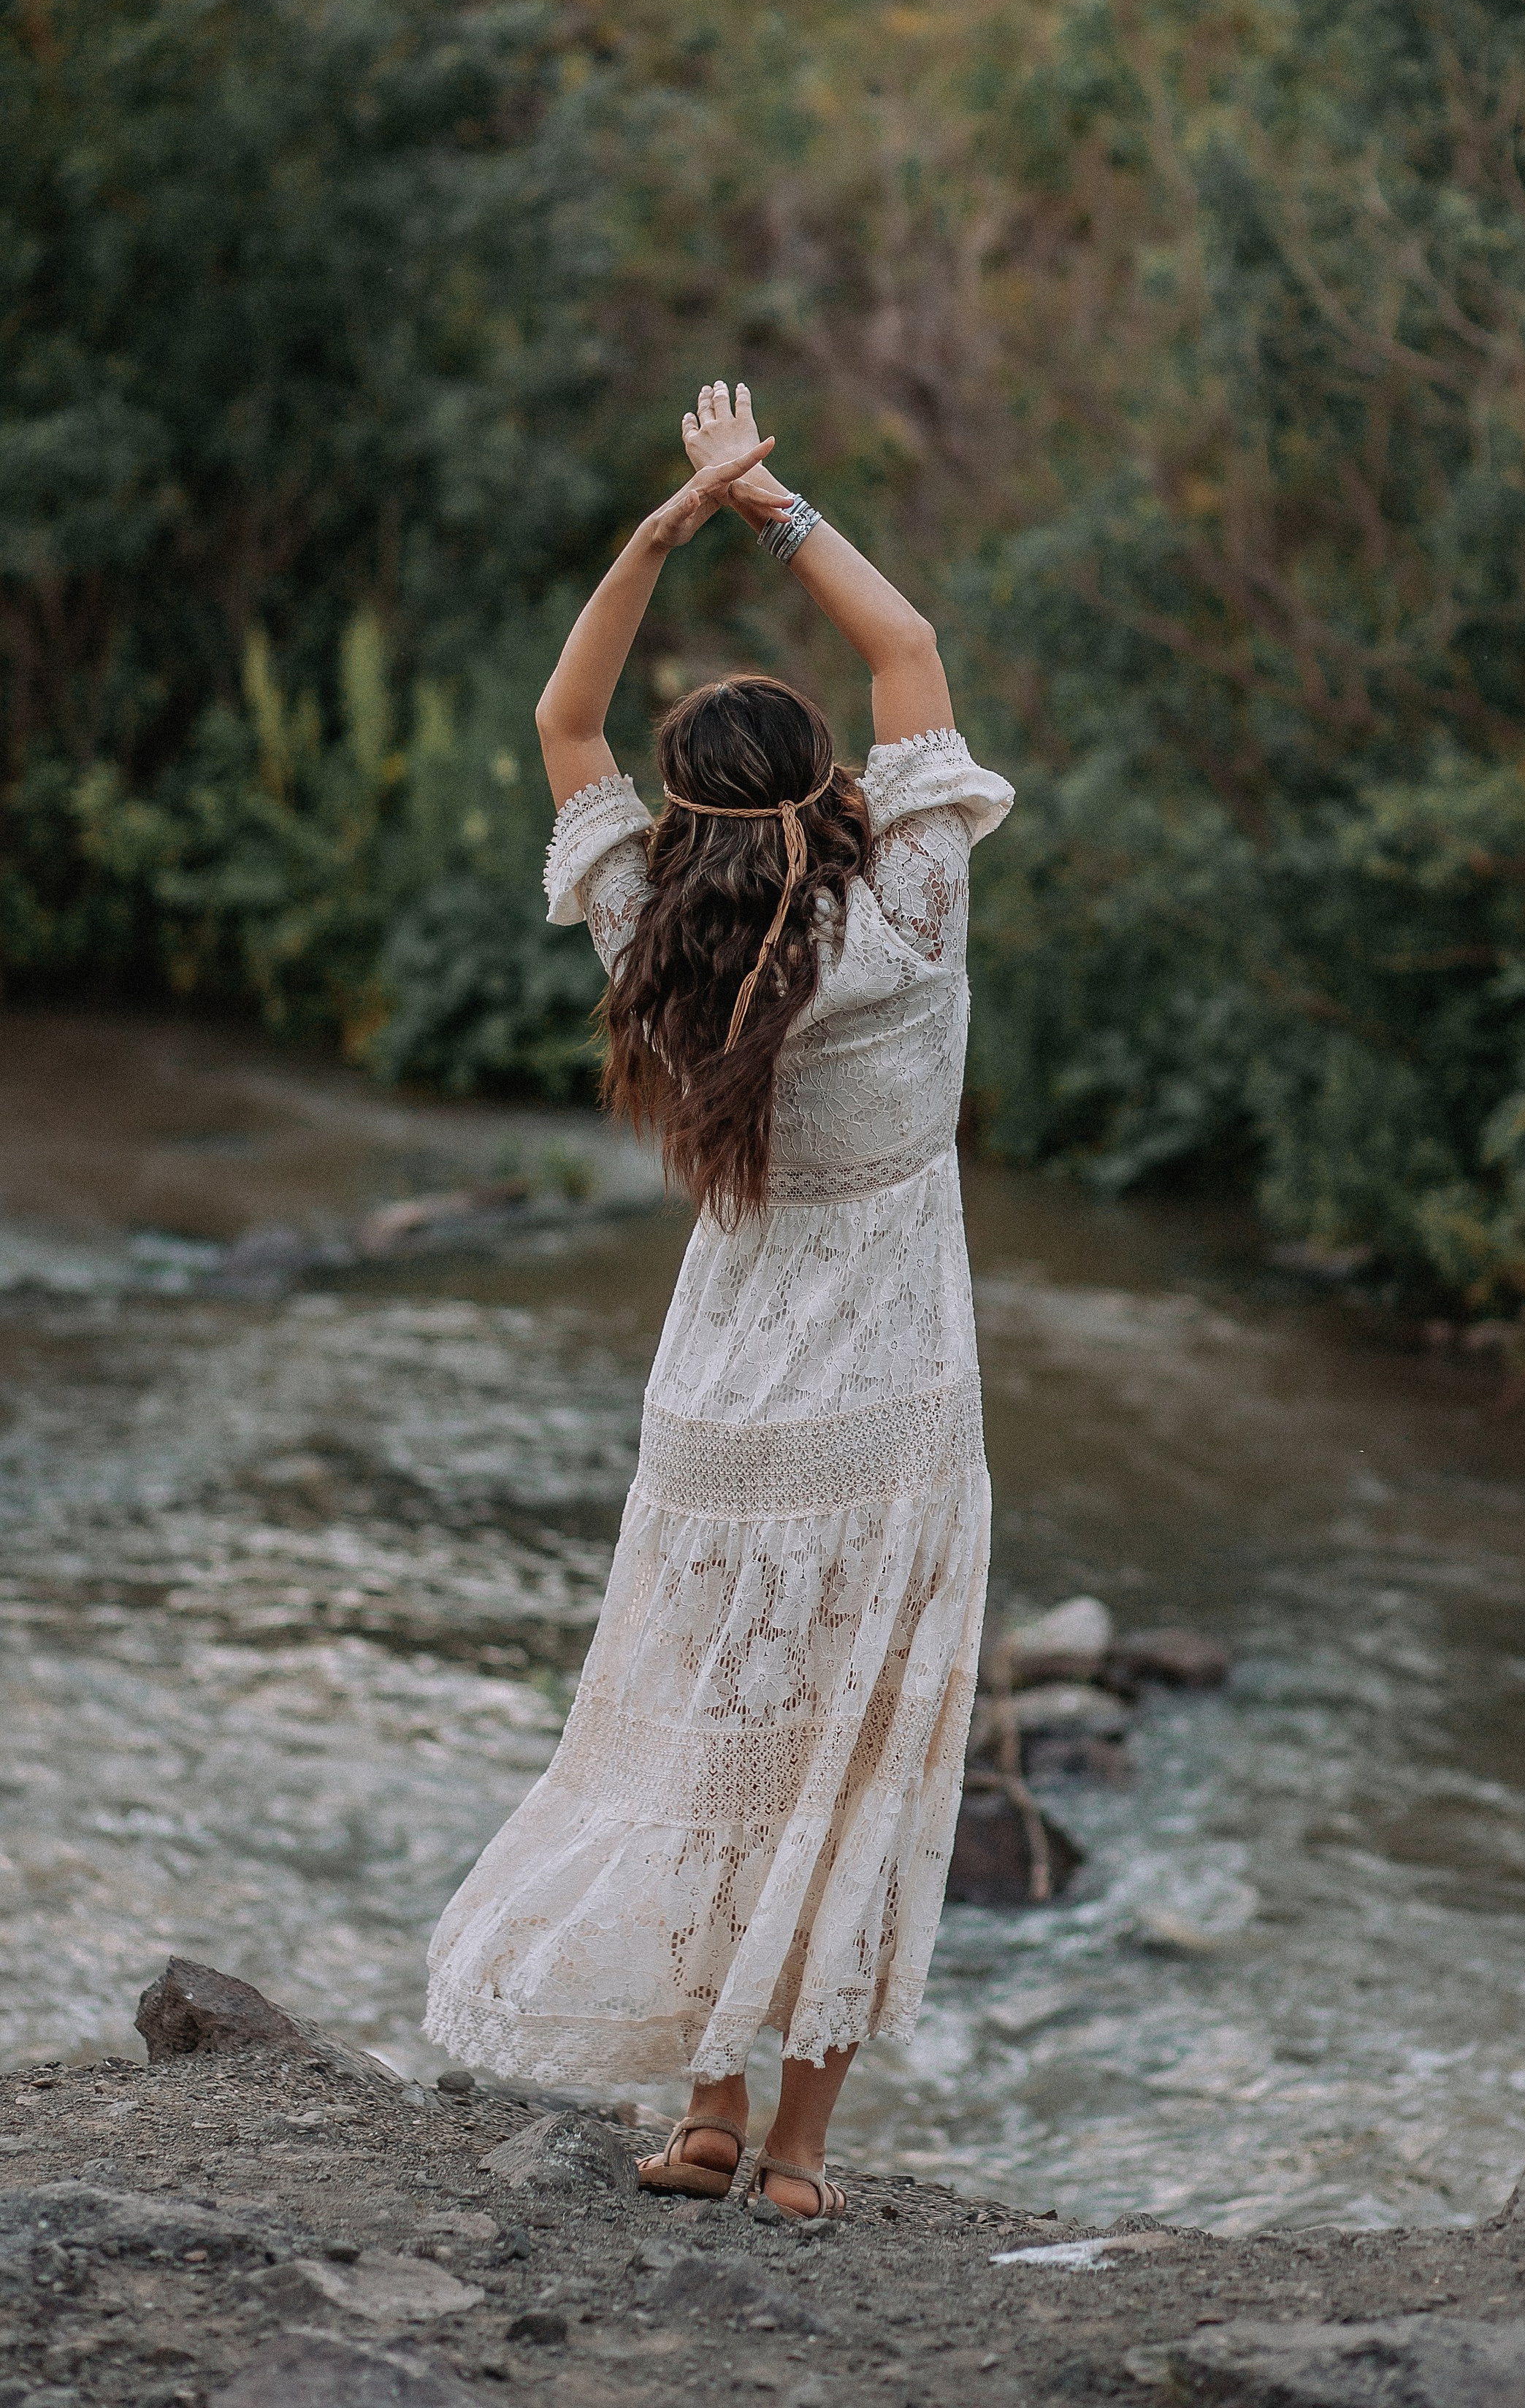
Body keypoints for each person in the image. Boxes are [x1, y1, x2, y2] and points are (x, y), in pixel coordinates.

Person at [425, 381, 1013, 2220]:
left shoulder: (650, 938)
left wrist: (657, 529)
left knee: (713, 1730)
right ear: (837, 788)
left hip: (718, 1413)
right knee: (851, 1754)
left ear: (677, 820)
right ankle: (799, 2154)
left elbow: (559, 715)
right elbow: (907, 636)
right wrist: (760, 502)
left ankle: (699, 2109)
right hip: (890, 1399)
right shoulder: (912, 913)